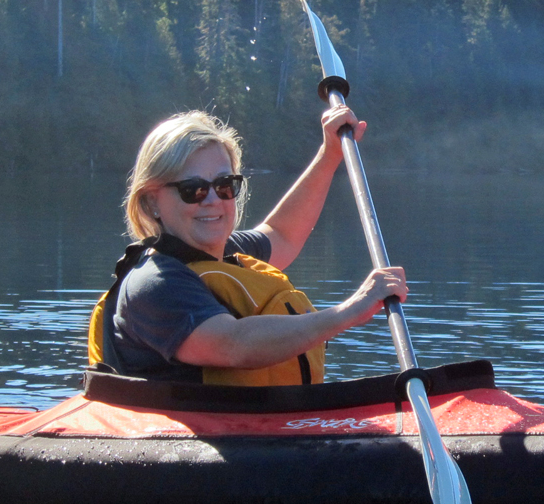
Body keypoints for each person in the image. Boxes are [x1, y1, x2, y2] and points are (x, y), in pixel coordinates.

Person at [87, 106, 407, 384]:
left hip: (253, 428)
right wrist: (349, 311)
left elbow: (282, 234)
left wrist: (330, 154)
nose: (213, 200)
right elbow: (233, 345)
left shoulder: (224, 254)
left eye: (225, 185)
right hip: (182, 444)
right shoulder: (154, 284)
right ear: (152, 202)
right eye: (193, 189)